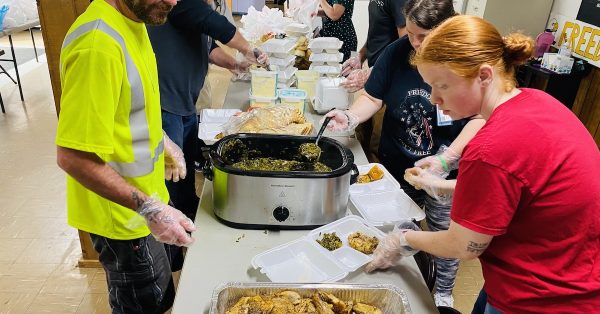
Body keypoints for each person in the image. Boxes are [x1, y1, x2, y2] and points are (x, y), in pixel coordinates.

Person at [366, 15, 600, 313]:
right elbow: (522, 187)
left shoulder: (490, 148)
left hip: (546, 297)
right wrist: (445, 186)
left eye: (442, 86)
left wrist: (402, 239)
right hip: (575, 271)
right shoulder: (536, 100)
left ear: (484, 76)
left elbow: (463, 244)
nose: (434, 98)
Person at [323, 0, 485, 307]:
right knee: (395, 225)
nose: (415, 43)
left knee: (443, 232)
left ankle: (443, 295)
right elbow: (372, 96)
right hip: (397, 164)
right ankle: (396, 282)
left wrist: (446, 158)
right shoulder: (398, 52)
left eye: (423, 36)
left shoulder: (465, 63)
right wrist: (351, 117)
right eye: (410, 32)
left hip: (444, 170)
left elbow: (480, 119)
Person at [55, 0, 196, 312]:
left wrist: (163, 141)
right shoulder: (98, 44)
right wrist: (150, 208)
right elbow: (73, 157)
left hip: (145, 206)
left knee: (161, 299)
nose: (173, 2)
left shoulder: (133, 20)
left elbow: (125, 107)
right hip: (123, 219)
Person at [146, 0, 267, 272]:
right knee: (172, 179)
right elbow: (214, 25)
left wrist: (234, 65)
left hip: (184, 102)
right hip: (166, 104)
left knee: (186, 172)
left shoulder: (193, 10)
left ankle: (188, 236)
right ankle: (172, 255)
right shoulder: (180, 4)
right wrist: (249, 48)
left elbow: (208, 46)